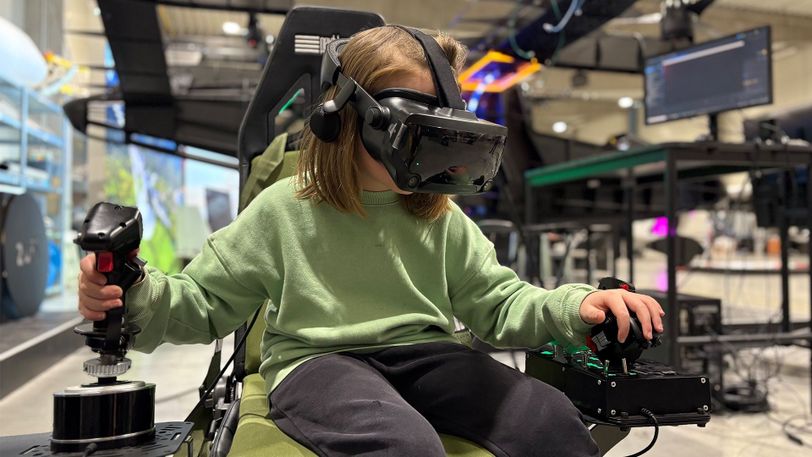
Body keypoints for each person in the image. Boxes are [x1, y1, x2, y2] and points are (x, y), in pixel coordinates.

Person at [77, 25, 664, 457]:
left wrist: (577, 306)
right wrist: (131, 290)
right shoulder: (284, 210)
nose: (432, 153)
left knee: (550, 421)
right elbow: (203, 303)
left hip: (427, 354)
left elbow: (499, 301)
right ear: (343, 119)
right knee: (400, 446)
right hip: (316, 363)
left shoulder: (440, 214)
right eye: (416, 131)